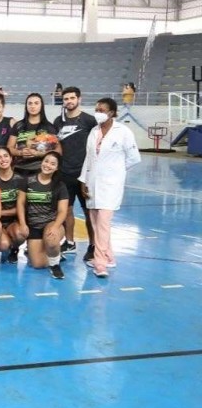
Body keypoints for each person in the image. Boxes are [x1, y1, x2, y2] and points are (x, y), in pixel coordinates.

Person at [79, 98, 141, 278]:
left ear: (112, 113)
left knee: (104, 223)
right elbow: (89, 159)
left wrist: (115, 172)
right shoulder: (93, 132)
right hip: (92, 185)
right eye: (96, 109)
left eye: (102, 109)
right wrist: (83, 180)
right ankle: (110, 256)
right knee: (97, 224)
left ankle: (100, 263)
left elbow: (134, 158)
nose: (98, 112)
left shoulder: (123, 132)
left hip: (111, 186)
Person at [54, 86, 98, 260]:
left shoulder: (89, 120)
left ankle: (93, 245)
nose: (69, 101)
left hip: (85, 175)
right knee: (67, 210)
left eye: (72, 98)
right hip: (64, 173)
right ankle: (70, 242)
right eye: (66, 99)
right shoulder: (58, 121)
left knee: (89, 212)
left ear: (79, 99)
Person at [17, 152, 69, 279]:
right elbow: (20, 203)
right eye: (46, 161)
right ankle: (55, 253)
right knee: (37, 264)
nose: (48, 165)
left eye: (52, 164)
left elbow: (63, 211)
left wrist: (56, 226)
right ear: (42, 162)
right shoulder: (28, 180)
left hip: (51, 222)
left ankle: (55, 264)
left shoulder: (60, 185)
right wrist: (23, 224)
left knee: (51, 239)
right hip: (34, 226)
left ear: (57, 168)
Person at [0, 147, 28, 264]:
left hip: (13, 221)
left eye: (5, 156)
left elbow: (20, 208)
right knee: (3, 245)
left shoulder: (21, 179)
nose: (3, 159)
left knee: (21, 234)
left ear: (11, 158)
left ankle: (14, 249)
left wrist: (0, 213)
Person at [8, 93, 61, 176]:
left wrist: (40, 153)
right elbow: (9, 148)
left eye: (36, 103)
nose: (33, 106)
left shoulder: (49, 127)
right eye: (30, 103)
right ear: (26, 106)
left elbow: (58, 151)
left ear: (41, 106)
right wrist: (20, 152)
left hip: (41, 170)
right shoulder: (18, 125)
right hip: (20, 170)